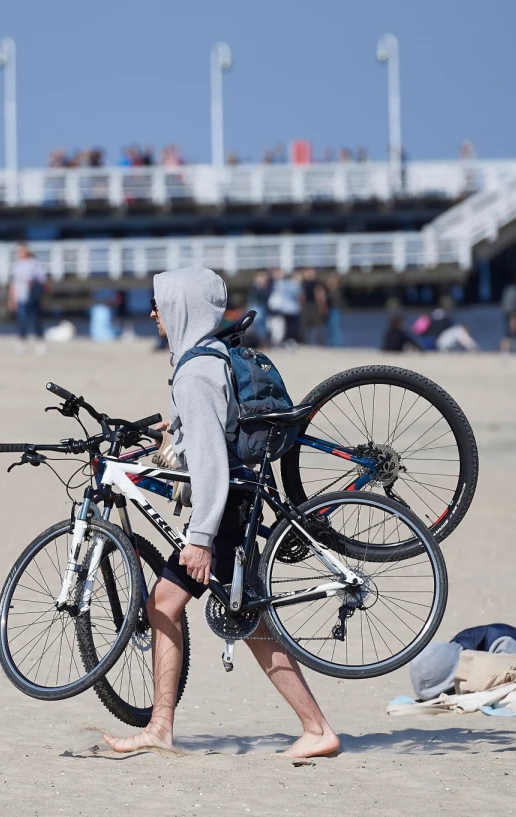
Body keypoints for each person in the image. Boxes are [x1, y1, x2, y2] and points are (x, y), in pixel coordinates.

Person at [103, 266, 339, 759]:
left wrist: (201, 537)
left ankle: (317, 729)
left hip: (226, 508)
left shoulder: (195, 371)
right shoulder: (209, 357)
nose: (153, 313)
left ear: (182, 308)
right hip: (231, 499)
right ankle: (160, 727)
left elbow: (210, 460)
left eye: (160, 304)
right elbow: (208, 436)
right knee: (164, 603)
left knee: (248, 621)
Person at [8, 242, 46, 354]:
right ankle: (22, 341)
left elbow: (42, 279)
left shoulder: (33, 264)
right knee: (22, 320)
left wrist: (33, 283)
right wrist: (11, 299)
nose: (18, 254)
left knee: (36, 319)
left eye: (20, 251)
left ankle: (39, 341)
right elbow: (13, 284)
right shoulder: (17, 266)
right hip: (21, 296)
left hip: (33, 296)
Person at [266, 269, 302, 345]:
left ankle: (284, 342)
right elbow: (299, 296)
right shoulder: (295, 284)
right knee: (288, 328)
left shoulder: (282, 284)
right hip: (292, 309)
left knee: (283, 328)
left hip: (284, 309)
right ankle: (288, 341)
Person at [299, 268, 328, 346]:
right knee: (305, 326)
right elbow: (301, 296)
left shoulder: (318, 283)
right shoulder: (303, 283)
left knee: (318, 325)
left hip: (315, 306)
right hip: (306, 306)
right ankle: (305, 343)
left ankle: (320, 343)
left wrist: (322, 307)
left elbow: (321, 296)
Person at [324, 273, 345, 347]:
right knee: (332, 328)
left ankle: (336, 344)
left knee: (335, 328)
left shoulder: (335, 290)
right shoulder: (330, 290)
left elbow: (340, 278)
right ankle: (333, 343)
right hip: (332, 310)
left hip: (335, 310)